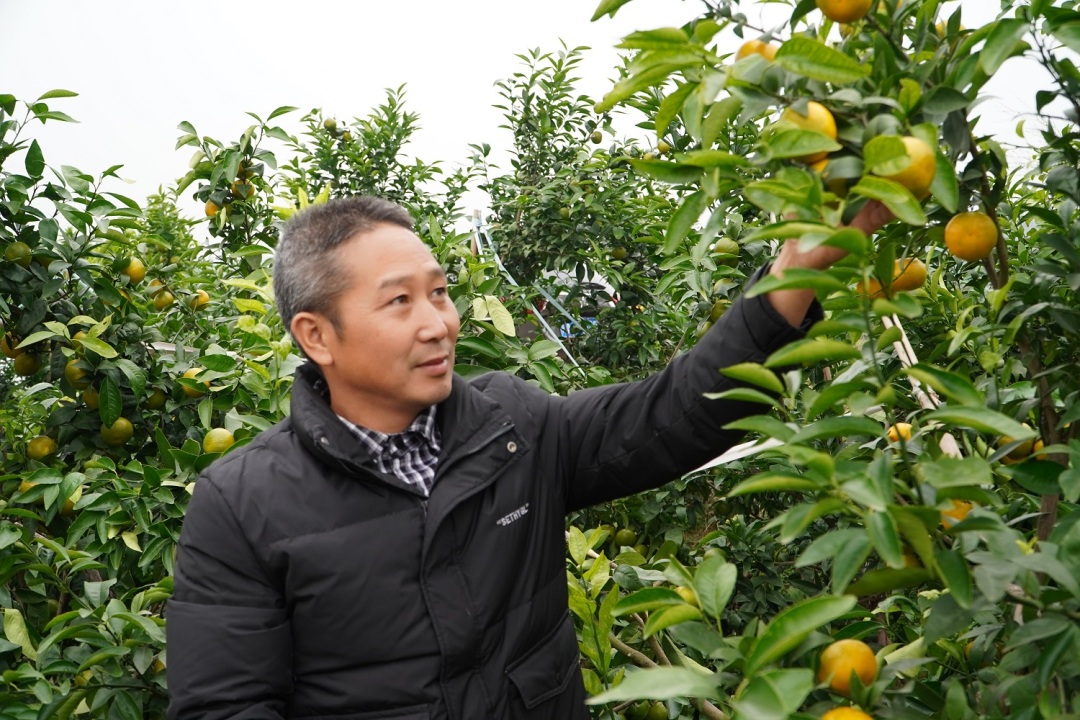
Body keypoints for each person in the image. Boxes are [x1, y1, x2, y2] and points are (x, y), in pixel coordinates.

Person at [166, 195, 892, 719]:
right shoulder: (242, 503)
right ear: (316, 336)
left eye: (441, 292)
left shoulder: (511, 428)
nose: (438, 323)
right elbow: (224, 706)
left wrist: (798, 268)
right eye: (400, 303)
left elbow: (676, 413)